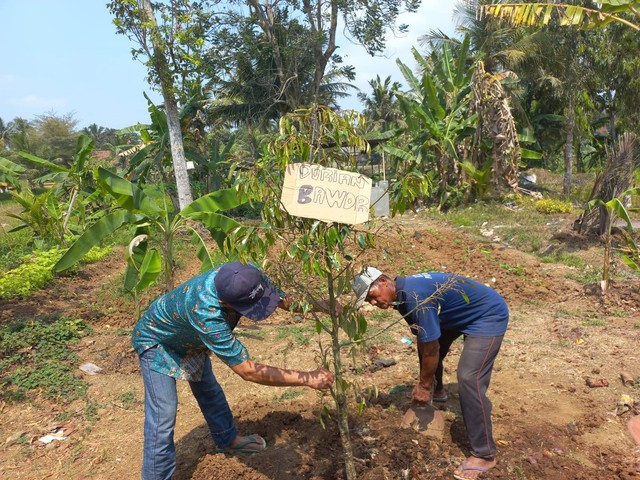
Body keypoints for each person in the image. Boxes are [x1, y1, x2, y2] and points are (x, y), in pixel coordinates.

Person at [132, 261, 335, 480]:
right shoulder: (207, 312)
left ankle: (228, 440)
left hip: (189, 337)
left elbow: (282, 301)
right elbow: (248, 371)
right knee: (163, 415)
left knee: (209, 391)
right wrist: (307, 378)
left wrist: (324, 305)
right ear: (223, 302)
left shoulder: (247, 278)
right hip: (158, 341)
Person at [353, 267, 509, 480]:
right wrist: (426, 382)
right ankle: (438, 394)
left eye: (371, 296)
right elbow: (424, 339)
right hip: (455, 314)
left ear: (383, 281)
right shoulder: (400, 296)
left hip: (486, 314)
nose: (372, 303)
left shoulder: (415, 296)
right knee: (426, 348)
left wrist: (424, 385)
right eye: (367, 301)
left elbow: (432, 348)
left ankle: (484, 453)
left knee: (469, 378)